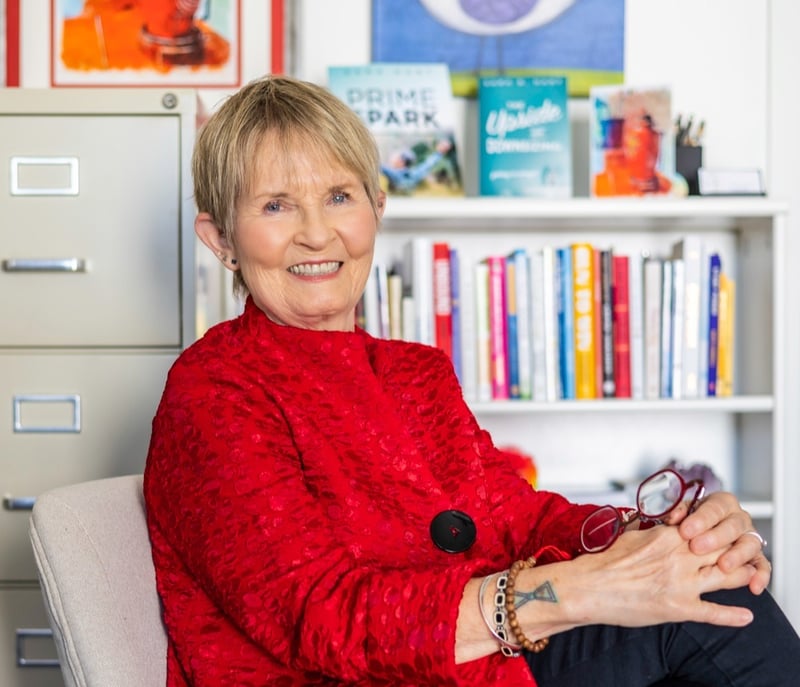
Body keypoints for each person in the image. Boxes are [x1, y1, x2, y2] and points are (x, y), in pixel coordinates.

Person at [143, 74, 800, 686]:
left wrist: (662, 533)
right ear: (220, 236)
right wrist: (582, 590)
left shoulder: (413, 372)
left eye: (339, 196)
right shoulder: (214, 392)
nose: (316, 232)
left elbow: (517, 514)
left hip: (481, 661)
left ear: (376, 207)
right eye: (277, 205)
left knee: (711, 580)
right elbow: (320, 618)